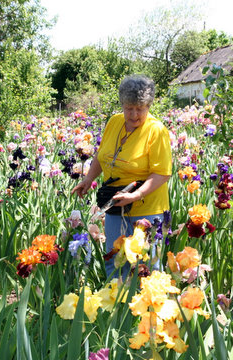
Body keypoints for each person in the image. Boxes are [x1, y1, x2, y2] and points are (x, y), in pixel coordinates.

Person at [71, 74, 172, 278]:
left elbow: (162, 173)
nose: (134, 114)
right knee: (115, 262)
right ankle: (117, 307)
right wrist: (88, 179)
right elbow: (102, 155)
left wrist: (136, 195)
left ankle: (149, 308)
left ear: (149, 106)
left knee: (146, 267)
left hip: (147, 210)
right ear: (122, 105)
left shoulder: (156, 131)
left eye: (140, 109)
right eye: (129, 108)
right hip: (115, 205)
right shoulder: (115, 122)